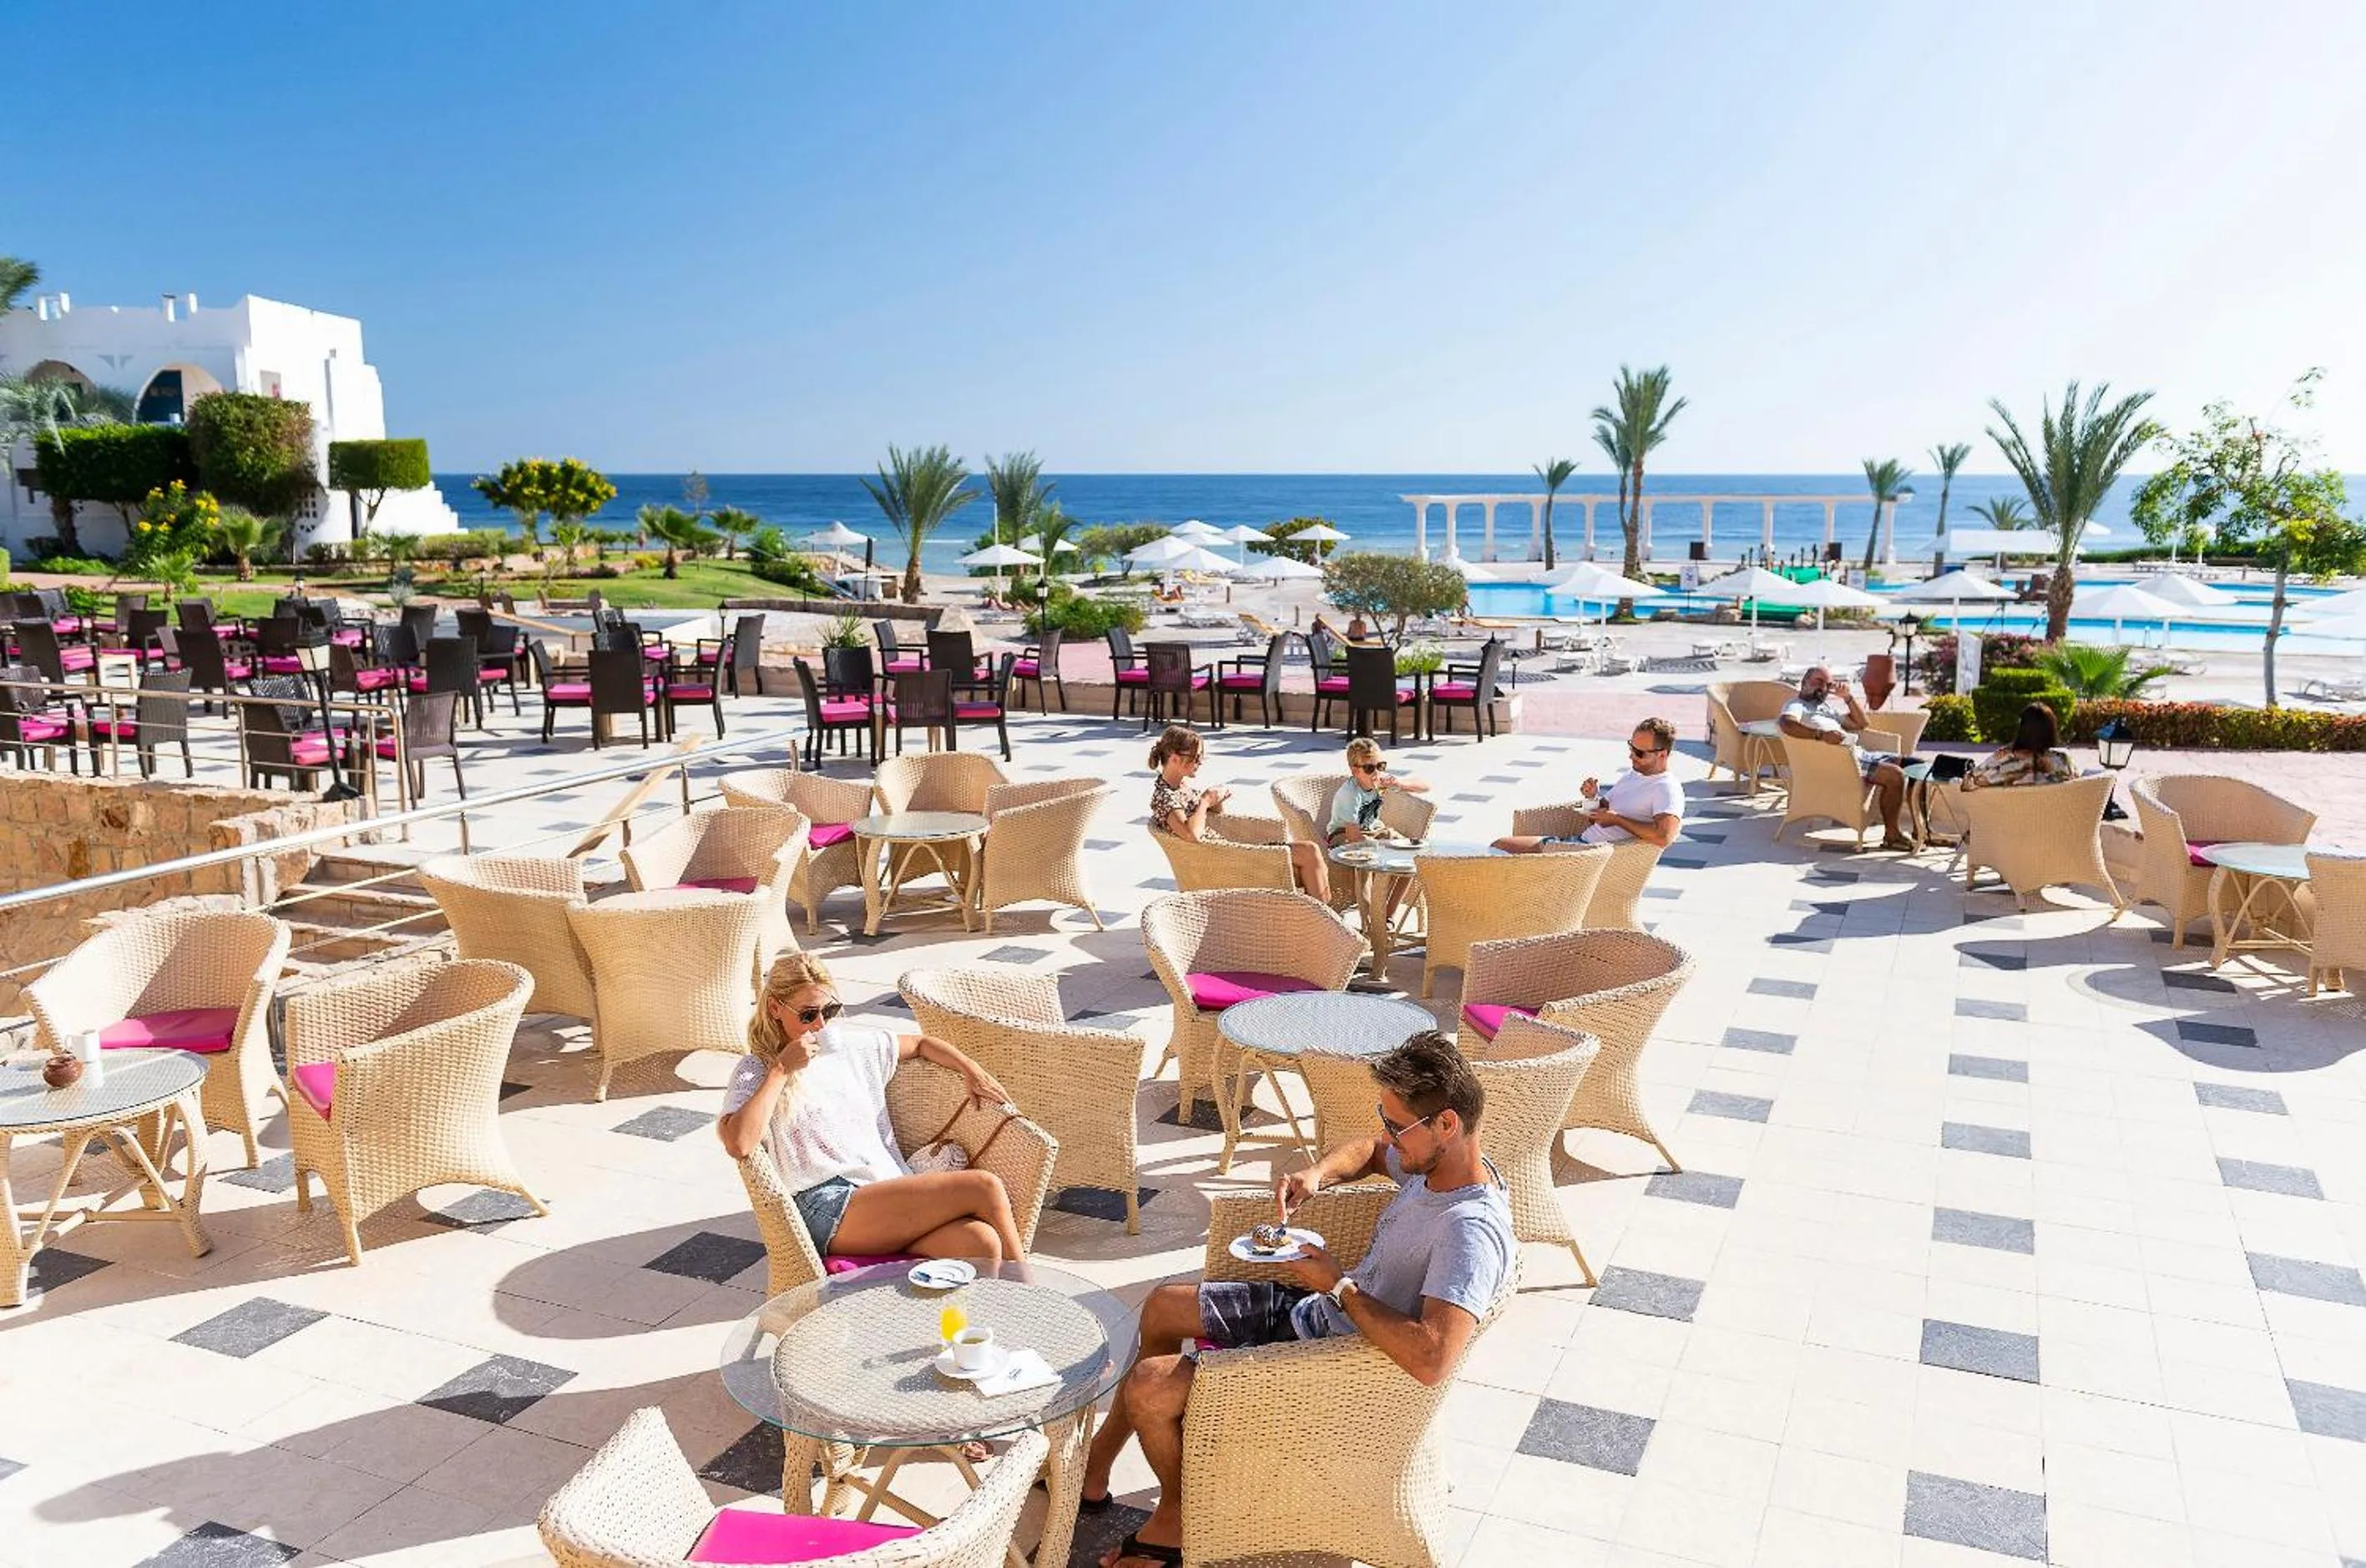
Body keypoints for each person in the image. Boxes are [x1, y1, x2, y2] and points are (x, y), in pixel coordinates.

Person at [1080, 1033, 1514, 1567]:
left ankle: (1175, 1519)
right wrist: (1317, 1175)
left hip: (1336, 1369)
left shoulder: (1470, 1232)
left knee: (1150, 1388)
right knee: (1164, 1305)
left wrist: (1338, 1285)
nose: (1387, 1134)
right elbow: (1371, 1152)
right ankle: (1097, 1465)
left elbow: (1433, 1358)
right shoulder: (1437, 1163)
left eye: (1396, 1125)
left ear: (1446, 1124)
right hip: (1320, 1315)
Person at [716, 952, 1029, 1266]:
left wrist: (970, 1069)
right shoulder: (757, 1069)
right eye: (808, 1015)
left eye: (830, 1010)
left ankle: (974, 1314)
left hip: (877, 1190)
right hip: (823, 1204)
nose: (821, 1025)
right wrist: (782, 1070)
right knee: (983, 1186)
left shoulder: (846, 1047)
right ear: (775, 1009)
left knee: (980, 1241)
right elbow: (739, 1143)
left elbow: (920, 1044)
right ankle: (1036, 1299)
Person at [1148, 723, 1329, 901]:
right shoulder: (1165, 797)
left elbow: (1210, 820)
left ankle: (1325, 918)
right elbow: (1191, 834)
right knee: (1309, 852)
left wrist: (1216, 803)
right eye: (1195, 758)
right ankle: (1324, 920)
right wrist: (1205, 801)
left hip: (1230, 851)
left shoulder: (1181, 787)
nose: (1200, 762)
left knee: (1310, 855)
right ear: (1174, 758)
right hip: (1228, 862)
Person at [1494, 716, 1685, 852]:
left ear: (1662, 754)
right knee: (1500, 852)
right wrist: (1593, 798)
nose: (1631, 756)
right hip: (1579, 845)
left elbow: (1664, 838)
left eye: (1639, 753)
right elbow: (1598, 818)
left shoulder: (1666, 789)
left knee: (1500, 846)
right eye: (1631, 748)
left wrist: (1618, 820)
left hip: (1584, 855)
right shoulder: (1634, 775)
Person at [1777, 665, 1914, 850]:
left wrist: (1847, 698)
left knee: (1914, 765)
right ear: (1804, 682)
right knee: (1895, 775)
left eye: (1828, 684)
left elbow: (1862, 723)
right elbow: (1786, 723)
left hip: (1860, 755)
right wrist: (1821, 735)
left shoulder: (1824, 708)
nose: (1823, 688)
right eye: (1818, 682)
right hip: (1843, 763)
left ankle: (1923, 831)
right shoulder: (1796, 705)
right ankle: (1892, 835)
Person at [1327, 736, 1429, 923]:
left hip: (1373, 831)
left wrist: (1397, 784)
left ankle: (1385, 917)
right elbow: (1354, 838)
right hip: (1342, 836)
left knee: (1412, 856)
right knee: (1365, 862)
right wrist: (1382, 848)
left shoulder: (1379, 781)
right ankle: (1368, 924)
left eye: (1381, 766)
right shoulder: (1350, 794)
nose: (1376, 772)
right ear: (1355, 770)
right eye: (1369, 768)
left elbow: (1425, 786)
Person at [1964, 701, 2075, 790]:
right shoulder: (2063, 760)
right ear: (2052, 730)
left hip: (2010, 816)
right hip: (2055, 816)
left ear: (2022, 729)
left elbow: (1970, 782)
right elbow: (2077, 782)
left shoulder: (2004, 759)